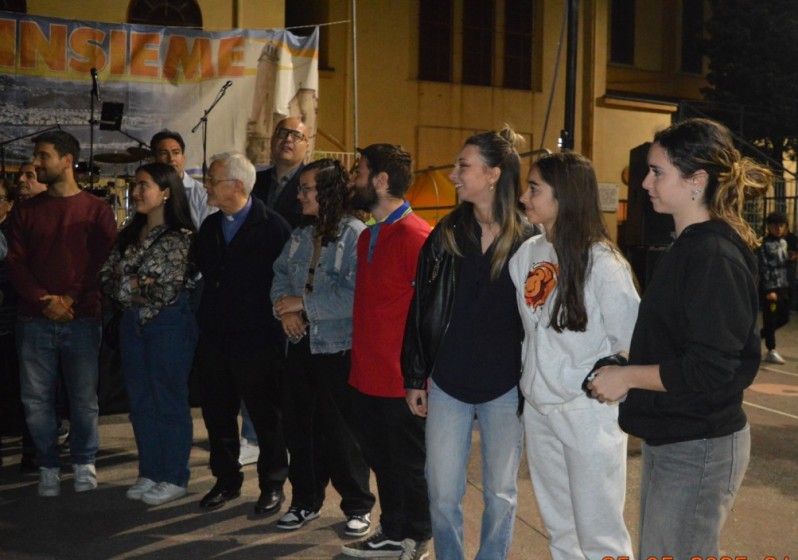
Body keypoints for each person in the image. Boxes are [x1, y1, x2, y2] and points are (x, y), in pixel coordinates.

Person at [590, 118, 769, 560]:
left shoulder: (713, 255)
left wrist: (628, 377)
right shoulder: (690, 246)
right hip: (677, 438)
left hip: (699, 445)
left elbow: (711, 368)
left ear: (697, 181)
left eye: (657, 172)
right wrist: (626, 367)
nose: (645, 183)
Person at [401, 128, 532, 560]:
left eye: (463, 166)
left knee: (501, 494)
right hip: (448, 382)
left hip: (506, 386)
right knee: (441, 493)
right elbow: (421, 307)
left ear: (493, 174)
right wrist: (415, 375)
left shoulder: (530, 239)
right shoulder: (446, 234)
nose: (454, 174)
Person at [508, 152, 637, 560]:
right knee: (561, 529)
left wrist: (602, 382)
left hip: (587, 414)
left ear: (563, 195)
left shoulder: (604, 263)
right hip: (540, 409)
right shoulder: (527, 254)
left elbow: (632, 339)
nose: (524, 197)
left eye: (534, 189)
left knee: (600, 533)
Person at [7, 130, 116, 497]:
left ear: (67, 160)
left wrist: (68, 298)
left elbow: (100, 264)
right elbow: (16, 264)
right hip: (33, 320)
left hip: (81, 319)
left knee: (83, 399)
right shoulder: (25, 211)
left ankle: (84, 460)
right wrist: (44, 300)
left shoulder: (97, 210)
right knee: (35, 401)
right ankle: (48, 464)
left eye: (43, 156)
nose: (36, 163)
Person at [270, 158, 375, 534]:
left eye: (306, 189)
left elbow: (356, 295)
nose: (299, 195)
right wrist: (284, 311)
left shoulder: (356, 235)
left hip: (338, 348)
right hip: (300, 344)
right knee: (299, 430)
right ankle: (305, 501)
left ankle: (358, 506)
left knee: (342, 434)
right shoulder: (300, 235)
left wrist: (302, 305)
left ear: (328, 192)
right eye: (300, 188)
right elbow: (280, 275)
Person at [342, 144, 432, 560]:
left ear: (380, 180)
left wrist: (420, 377)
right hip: (366, 376)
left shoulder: (417, 236)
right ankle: (393, 530)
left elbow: (430, 314)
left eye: (359, 172)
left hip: (401, 381)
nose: (353, 180)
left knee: (410, 466)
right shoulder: (369, 235)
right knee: (381, 461)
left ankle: (418, 536)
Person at [193, 152, 291, 515]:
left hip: (258, 339)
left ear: (236, 185)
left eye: (213, 180)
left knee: (267, 417)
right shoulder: (209, 227)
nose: (206, 186)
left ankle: (272, 485)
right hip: (215, 338)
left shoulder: (274, 227)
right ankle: (226, 481)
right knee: (217, 414)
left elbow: (285, 281)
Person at [99, 162, 197, 506]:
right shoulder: (128, 234)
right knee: (140, 402)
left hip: (168, 325)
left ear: (166, 192)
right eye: (135, 185)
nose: (136, 191)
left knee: (168, 400)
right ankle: (150, 471)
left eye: (144, 185)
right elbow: (106, 278)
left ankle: (174, 476)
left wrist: (130, 283)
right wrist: (138, 284)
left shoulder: (181, 238)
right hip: (132, 324)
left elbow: (166, 291)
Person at [150, 129, 217, 229]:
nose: (171, 158)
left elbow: (208, 231)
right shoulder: (150, 192)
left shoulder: (201, 193)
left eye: (176, 153)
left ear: (183, 158)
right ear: (154, 159)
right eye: (164, 153)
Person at [252, 116, 308, 229]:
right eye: (282, 133)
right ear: (272, 140)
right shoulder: (254, 180)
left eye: (296, 136)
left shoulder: (311, 185)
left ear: (306, 146)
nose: (288, 139)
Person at [758, 211, 791, 364]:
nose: (778, 228)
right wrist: (768, 289)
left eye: (781, 225)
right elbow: (763, 268)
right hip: (771, 288)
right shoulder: (764, 245)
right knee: (770, 319)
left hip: (783, 286)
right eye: (775, 225)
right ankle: (771, 349)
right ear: (769, 226)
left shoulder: (784, 243)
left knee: (784, 317)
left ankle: (757, 336)